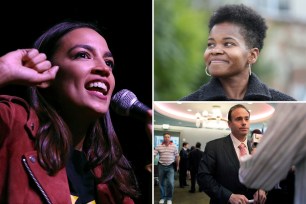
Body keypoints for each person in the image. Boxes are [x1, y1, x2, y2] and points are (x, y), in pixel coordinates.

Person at [0, 21, 152, 204]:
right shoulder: (11, 123)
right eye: (83, 55)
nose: (104, 69)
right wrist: (3, 70)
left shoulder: (112, 181)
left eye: (109, 63)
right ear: (46, 72)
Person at [179, 4, 296, 101]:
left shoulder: (285, 104)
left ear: (252, 55)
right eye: (211, 44)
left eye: (228, 44)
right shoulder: (186, 104)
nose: (215, 51)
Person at [198, 104, 266, 204]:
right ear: (229, 124)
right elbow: (203, 177)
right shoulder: (213, 146)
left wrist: (262, 189)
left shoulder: (257, 148)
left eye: (246, 119)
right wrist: (228, 196)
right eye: (239, 119)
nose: (244, 122)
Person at [239, 103, 306, 204]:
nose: (244, 123)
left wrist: (254, 157)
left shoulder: (295, 108)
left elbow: (251, 176)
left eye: (246, 119)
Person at [154, 132, 179, 204]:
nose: (167, 138)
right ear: (163, 138)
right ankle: (163, 197)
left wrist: (177, 166)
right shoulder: (158, 146)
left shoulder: (174, 146)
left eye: (168, 137)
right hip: (161, 166)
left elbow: (177, 156)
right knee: (161, 183)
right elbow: (154, 154)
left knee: (170, 183)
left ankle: (169, 198)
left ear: (170, 138)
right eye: (165, 137)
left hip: (170, 166)